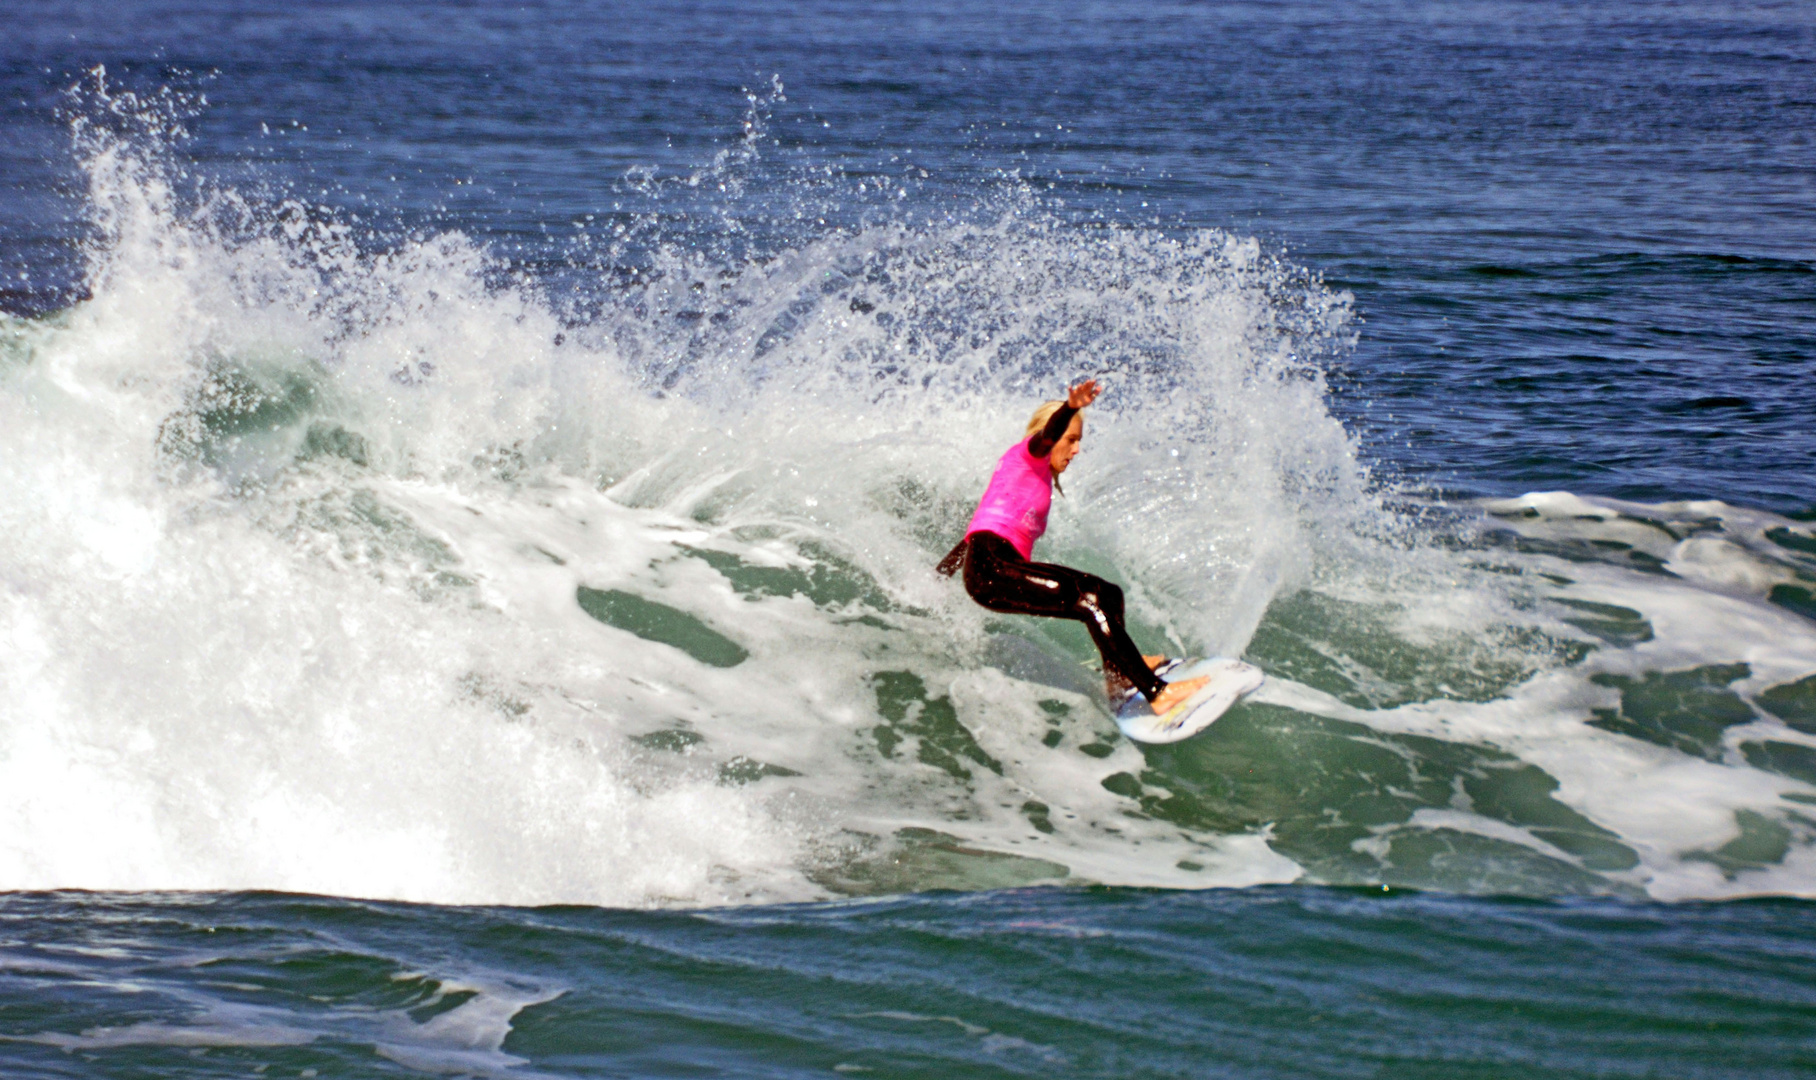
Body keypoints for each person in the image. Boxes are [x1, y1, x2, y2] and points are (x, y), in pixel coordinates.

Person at [937, 379, 1210, 715]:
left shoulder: (1025, 476)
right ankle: (1157, 693)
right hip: (993, 568)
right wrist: (1070, 408)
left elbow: (973, 533)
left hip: (991, 569)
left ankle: (1119, 677)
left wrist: (939, 577)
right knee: (1090, 599)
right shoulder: (1028, 454)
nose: (1077, 449)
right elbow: (1046, 437)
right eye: (1071, 440)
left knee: (1108, 594)